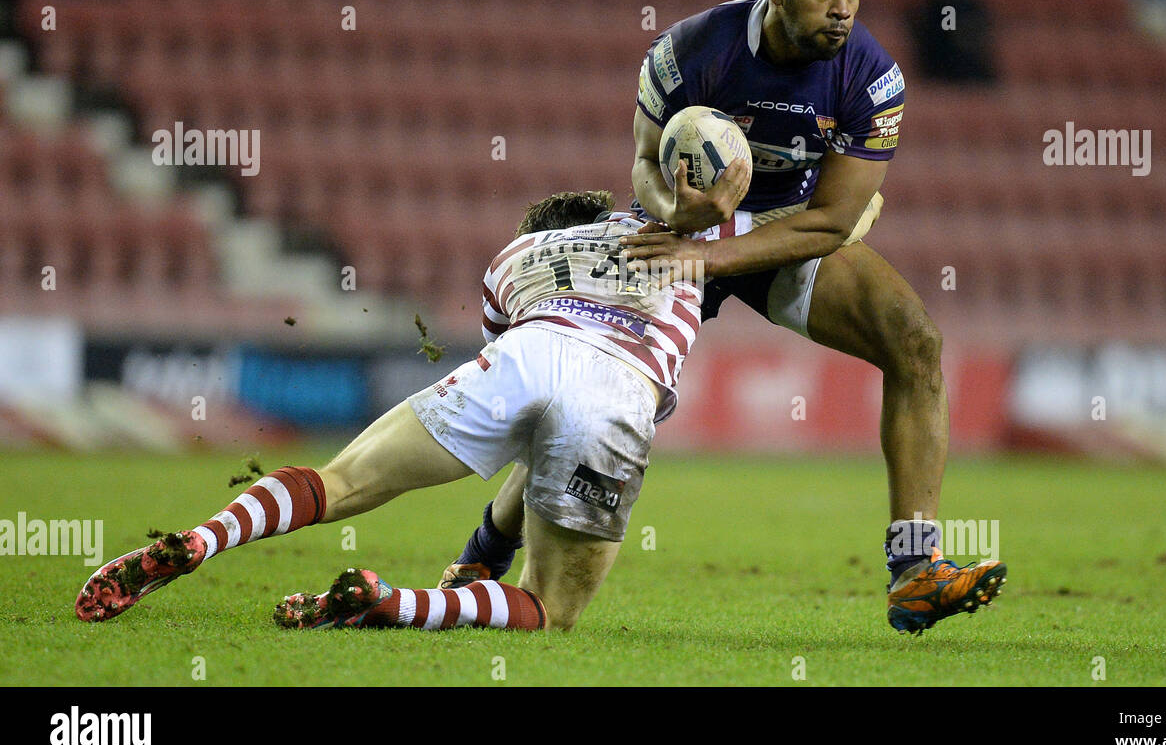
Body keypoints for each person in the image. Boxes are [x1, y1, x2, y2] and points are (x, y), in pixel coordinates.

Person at [442, 0, 1006, 635]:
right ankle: (482, 554)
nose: (843, 8)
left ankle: (916, 569)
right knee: (604, 402)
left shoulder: (872, 76)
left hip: (783, 233)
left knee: (917, 344)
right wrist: (683, 211)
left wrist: (719, 254)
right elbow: (645, 167)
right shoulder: (688, 52)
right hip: (684, 227)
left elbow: (833, 223)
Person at [75, 190, 726, 632]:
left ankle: (199, 540)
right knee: (547, 608)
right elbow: (546, 443)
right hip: (619, 384)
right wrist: (485, 554)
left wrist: (483, 548)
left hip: (527, 352)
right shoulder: (681, 246)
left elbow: (530, 414)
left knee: (343, 480)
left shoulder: (515, 259)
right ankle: (393, 603)